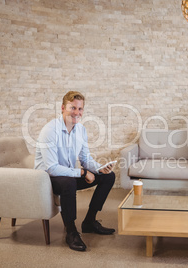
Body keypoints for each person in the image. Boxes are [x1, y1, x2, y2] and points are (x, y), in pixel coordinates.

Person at [34, 91, 115, 252]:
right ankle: (71, 232)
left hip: (67, 175)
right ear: (63, 108)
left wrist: (99, 168)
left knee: (108, 177)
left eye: (80, 109)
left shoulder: (81, 130)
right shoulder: (50, 130)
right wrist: (83, 173)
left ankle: (89, 222)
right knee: (68, 182)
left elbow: (85, 159)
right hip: (46, 179)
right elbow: (52, 168)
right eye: (73, 108)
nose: (77, 113)